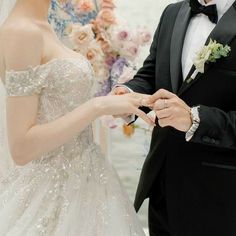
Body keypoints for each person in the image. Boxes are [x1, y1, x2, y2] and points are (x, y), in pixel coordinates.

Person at [0, 0, 154, 235]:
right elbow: (21, 147)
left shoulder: (43, 25)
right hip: (52, 192)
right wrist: (98, 106)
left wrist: (115, 99)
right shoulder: (22, 31)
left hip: (90, 181)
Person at [113, 0, 236, 235]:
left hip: (222, 197)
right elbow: (151, 74)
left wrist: (194, 119)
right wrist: (127, 94)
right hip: (162, 187)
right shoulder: (172, 12)